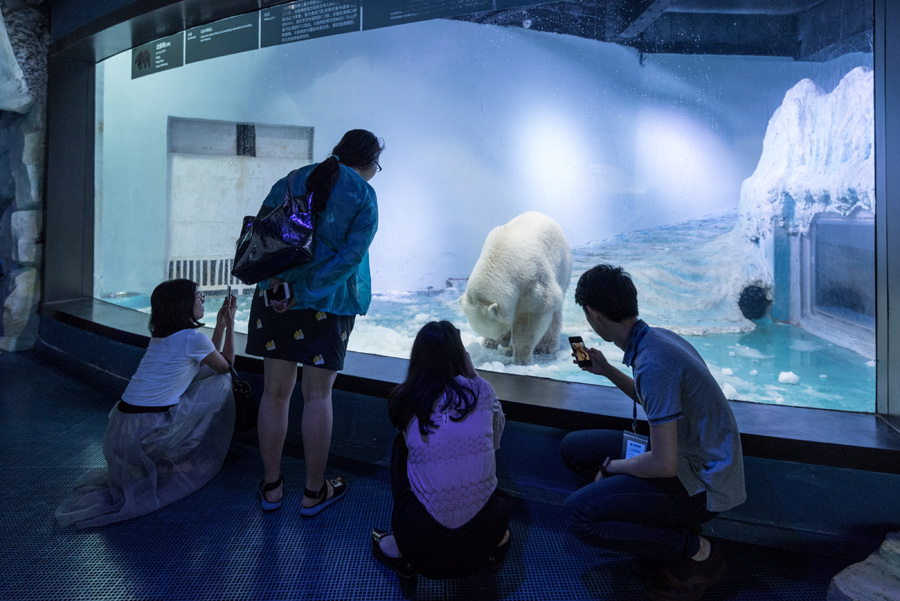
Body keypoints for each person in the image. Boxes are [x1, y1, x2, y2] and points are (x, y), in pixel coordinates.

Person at [559, 264, 746, 601]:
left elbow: (664, 465)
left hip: (704, 481)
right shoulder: (654, 339)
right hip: (692, 457)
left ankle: (696, 548)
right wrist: (607, 370)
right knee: (574, 447)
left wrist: (611, 467)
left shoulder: (653, 361)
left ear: (593, 314)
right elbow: (657, 401)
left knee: (577, 515)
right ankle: (653, 526)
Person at [246, 129, 383, 516]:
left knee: (275, 393)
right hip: (329, 305)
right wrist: (306, 292)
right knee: (318, 396)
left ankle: (272, 487)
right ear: (370, 161)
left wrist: (282, 288)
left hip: (275, 301)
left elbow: (262, 237)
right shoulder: (364, 195)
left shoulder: (292, 179)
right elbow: (351, 258)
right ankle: (313, 492)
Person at [56, 279, 237, 528]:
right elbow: (226, 364)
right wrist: (230, 324)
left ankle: (162, 462)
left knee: (205, 377)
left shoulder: (161, 338)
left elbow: (209, 358)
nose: (202, 300)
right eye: (199, 296)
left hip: (119, 432)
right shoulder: (193, 339)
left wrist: (219, 325)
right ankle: (180, 455)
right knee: (223, 382)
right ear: (184, 304)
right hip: (148, 433)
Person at [371, 321, 511, 579]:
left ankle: (399, 548)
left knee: (401, 445)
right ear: (462, 355)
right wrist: (473, 374)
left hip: (420, 543)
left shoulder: (406, 397)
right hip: (482, 539)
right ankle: (495, 544)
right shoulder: (482, 390)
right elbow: (495, 443)